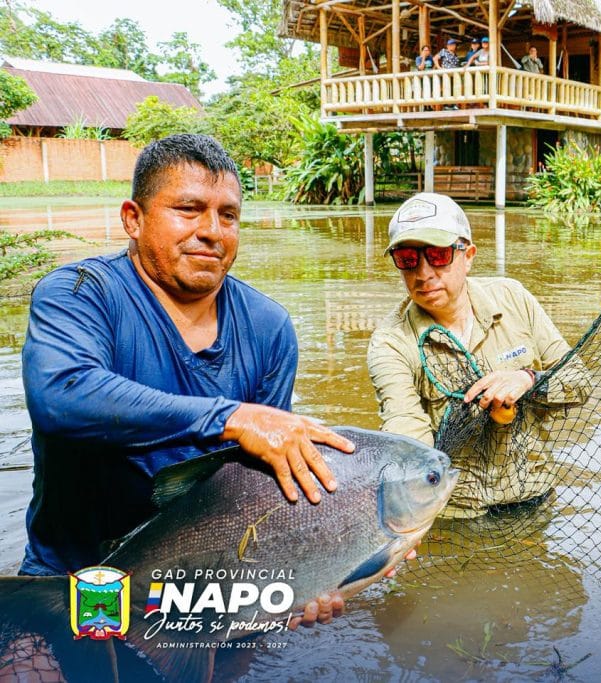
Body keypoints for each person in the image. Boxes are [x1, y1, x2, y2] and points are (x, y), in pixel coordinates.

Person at [17, 134, 410, 627]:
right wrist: (233, 417)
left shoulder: (268, 327)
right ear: (133, 219)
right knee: (59, 657)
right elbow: (61, 397)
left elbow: (263, 485)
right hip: (72, 579)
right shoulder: (80, 294)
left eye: (228, 215)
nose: (211, 231)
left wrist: (314, 568)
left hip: (205, 588)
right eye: (188, 209)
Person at [367, 193, 590, 519]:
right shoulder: (391, 343)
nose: (423, 273)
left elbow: (579, 381)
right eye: (407, 259)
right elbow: (407, 437)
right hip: (457, 519)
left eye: (438, 255)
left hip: (535, 500)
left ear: (468, 255)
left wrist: (528, 379)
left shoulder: (513, 299)